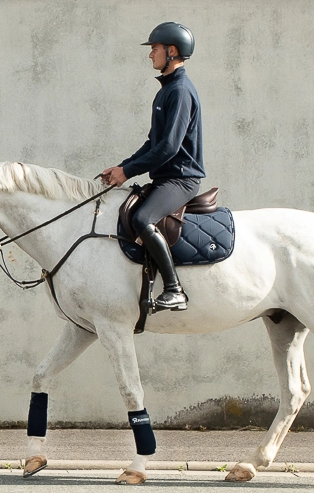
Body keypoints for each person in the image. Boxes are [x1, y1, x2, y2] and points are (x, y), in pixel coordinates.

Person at [100, 21, 202, 312]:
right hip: (166, 177)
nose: (150, 55)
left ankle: (174, 289)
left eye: (154, 49)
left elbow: (169, 148)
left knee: (143, 218)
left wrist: (129, 171)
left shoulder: (180, 91)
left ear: (172, 51)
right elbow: (153, 143)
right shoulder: (166, 91)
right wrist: (122, 167)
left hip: (181, 179)